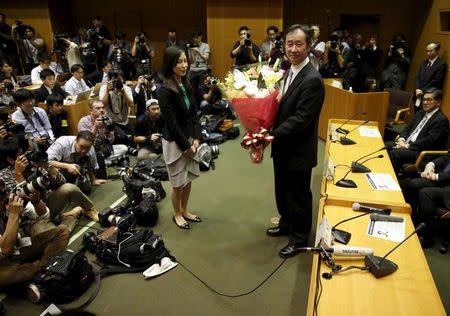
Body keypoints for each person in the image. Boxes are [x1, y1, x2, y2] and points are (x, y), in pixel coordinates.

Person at [266, 24, 325, 258]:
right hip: (282, 147)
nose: (293, 49)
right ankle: (286, 224)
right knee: (282, 189)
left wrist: (271, 133)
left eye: (298, 44)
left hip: (298, 149)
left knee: (298, 195)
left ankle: (299, 239)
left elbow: (302, 119)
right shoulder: (287, 71)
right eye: (289, 44)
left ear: (309, 47)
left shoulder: (312, 79)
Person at [0, 186, 69, 303]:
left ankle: (41, 274)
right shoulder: (10, 209)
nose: (6, 197)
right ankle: (47, 270)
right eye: (2, 196)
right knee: (18, 271)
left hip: (16, 249)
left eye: (4, 192)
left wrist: (36, 201)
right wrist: (13, 215)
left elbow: (44, 215)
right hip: (3, 261)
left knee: (61, 231)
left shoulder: (7, 203)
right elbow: (5, 250)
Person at [158, 46, 201, 230]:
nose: (184, 65)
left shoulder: (187, 83)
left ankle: (184, 210)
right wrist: (186, 146)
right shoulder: (164, 90)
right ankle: (177, 214)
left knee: (188, 178)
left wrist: (197, 138)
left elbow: (194, 114)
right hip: (175, 142)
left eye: (185, 61)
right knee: (177, 183)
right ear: (170, 65)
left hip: (190, 138)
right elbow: (172, 124)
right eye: (179, 62)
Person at [387, 88, 449, 173]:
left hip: (420, 152)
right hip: (408, 144)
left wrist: (406, 146)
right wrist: (402, 139)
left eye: (429, 100)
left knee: (394, 154)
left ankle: (393, 181)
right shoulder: (420, 113)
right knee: (386, 146)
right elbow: (408, 128)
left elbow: (429, 141)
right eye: (424, 99)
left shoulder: (441, 120)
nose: (425, 102)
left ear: (438, 102)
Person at [402, 151, 450, 247]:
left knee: (425, 193)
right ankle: (410, 222)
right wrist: (431, 164)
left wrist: (437, 176)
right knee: (413, 184)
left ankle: (428, 236)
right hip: (444, 180)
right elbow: (446, 157)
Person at [47, 131, 107, 195]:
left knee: (86, 190)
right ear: (75, 141)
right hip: (57, 170)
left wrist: (93, 181)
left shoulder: (90, 148)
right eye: (81, 146)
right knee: (66, 192)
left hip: (76, 167)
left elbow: (91, 166)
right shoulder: (61, 144)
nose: (84, 150)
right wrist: (67, 166)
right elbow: (46, 162)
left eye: (87, 148)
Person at [414, 42, 447, 111]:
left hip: (430, 95)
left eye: (430, 51)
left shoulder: (441, 64)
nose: (428, 53)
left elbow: (436, 81)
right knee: (416, 113)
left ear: (437, 51)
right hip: (418, 94)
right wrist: (417, 89)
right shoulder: (423, 62)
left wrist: (422, 90)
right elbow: (417, 77)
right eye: (427, 51)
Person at [187, 29, 210, 93]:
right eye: (194, 38)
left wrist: (198, 51)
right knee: (193, 90)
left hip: (202, 69)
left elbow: (206, 58)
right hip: (193, 69)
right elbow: (191, 60)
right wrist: (189, 51)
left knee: (201, 89)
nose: (195, 39)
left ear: (201, 37)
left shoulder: (205, 45)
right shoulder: (191, 46)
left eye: (197, 37)